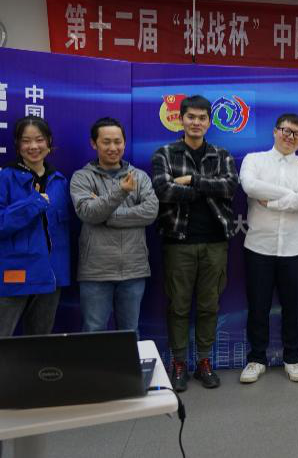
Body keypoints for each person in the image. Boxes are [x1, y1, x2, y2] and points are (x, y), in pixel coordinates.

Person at [152, 95, 239, 392]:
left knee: (208, 306)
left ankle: (204, 362)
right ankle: (179, 363)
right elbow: (163, 190)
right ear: (181, 119)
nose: (196, 122)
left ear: (209, 122)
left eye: (202, 118)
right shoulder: (165, 153)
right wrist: (203, 189)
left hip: (215, 242)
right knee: (178, 306)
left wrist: (191, 181)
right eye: (191, 117)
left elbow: (229, 187)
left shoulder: (221, 154)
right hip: (178, 242)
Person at [239, 113, 298, 383]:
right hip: (259, 245)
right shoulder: (254, 160)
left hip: (294, 247)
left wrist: (271, 202)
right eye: (286, 130)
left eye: (296, 134)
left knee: (293, 306)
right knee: (258, 305)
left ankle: (292, 357)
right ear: (275, 131)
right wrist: (289, 194)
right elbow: (250, 186)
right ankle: (256, 358)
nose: (290, 137)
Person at [70, 117, 158, 333]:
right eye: (106, 142)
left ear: (124, 143)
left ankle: (128, 362)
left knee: (129, 332)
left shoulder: (140, 177)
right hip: (96, 271)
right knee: (94, 331)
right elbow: (88, 213)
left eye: (118, 142)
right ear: (94, 143)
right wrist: (121, 191)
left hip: (133, 269)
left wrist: (107, 215)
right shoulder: (81, 177)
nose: (113, 148)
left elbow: (150, 212)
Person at [0, 116, 70, 337]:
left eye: (39, 140)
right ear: (17, 145)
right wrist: (33, 203)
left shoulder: (60, 181)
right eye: (26, 140)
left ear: (49, 142)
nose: (33, 146)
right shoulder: (5, 177)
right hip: (14, 273)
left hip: (51, 275)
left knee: (40, 343)